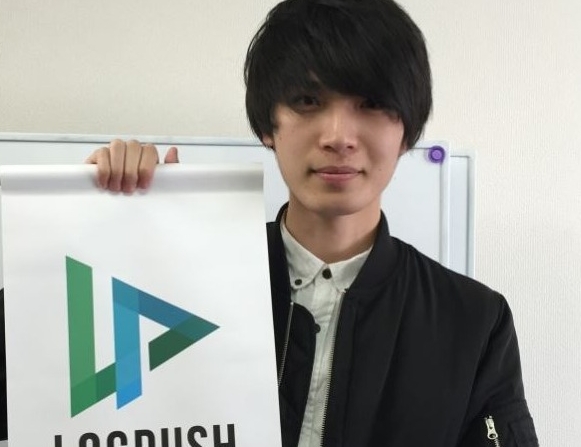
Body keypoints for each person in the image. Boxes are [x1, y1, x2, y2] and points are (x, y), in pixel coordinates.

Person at [0, 0, 538, 445]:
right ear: (268, 126)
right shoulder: (191, 283)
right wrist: (103, 236)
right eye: (307, 100)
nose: (338, 135)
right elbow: (39, 399)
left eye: (372, 103)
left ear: (407, 131)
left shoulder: (472, 321)